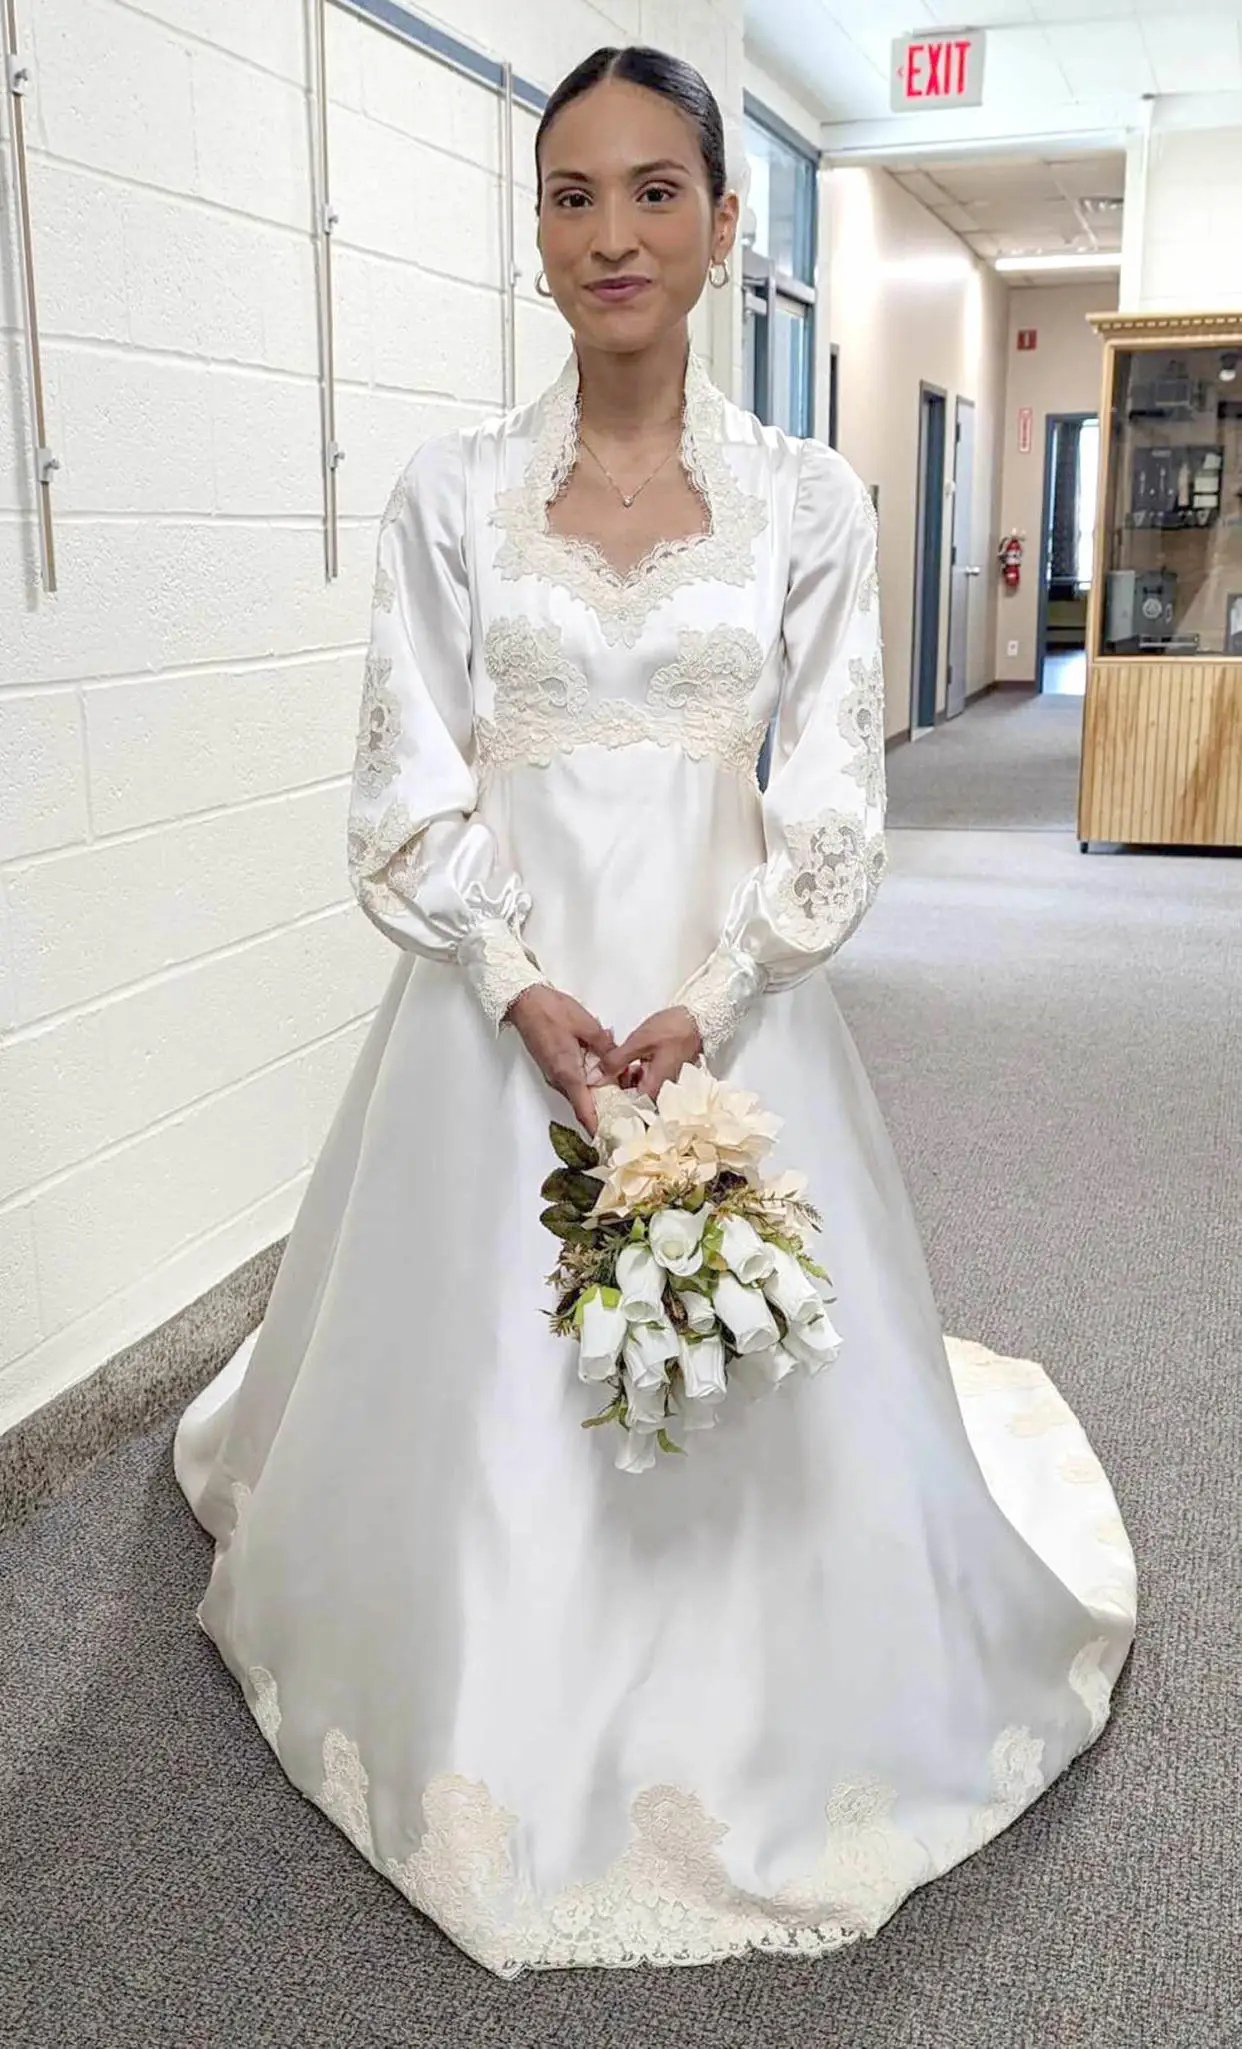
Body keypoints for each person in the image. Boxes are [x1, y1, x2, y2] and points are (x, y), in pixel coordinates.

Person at [175, 45, 1135, 1977]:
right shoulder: (452, 494)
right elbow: (404, 781)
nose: (609, 233)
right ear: (537, 239)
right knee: (476, 1376)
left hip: (719, 999)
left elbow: (838, 793)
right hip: (502, 989)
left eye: (651, 192)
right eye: (569, 196)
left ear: (719, 220)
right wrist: (517, 982)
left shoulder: (804, 500)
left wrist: (710, 998)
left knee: (768, 1367)